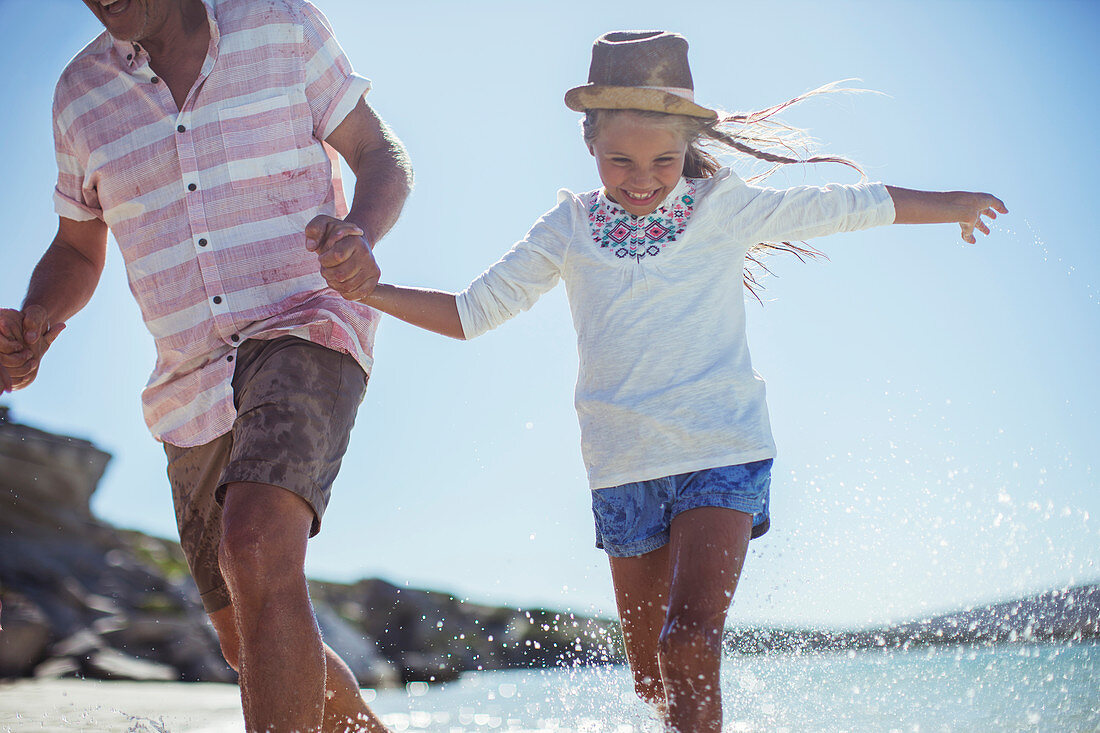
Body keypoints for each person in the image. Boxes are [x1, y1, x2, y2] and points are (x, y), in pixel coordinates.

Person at [319, 31, 1007, 733]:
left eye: (663, 160)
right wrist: (371, 289)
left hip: (721, 451)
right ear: (589, 143)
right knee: (654, 679)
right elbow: (472, 313)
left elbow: (842, 205)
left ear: (687, 150)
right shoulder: (569, 227)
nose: (641, 177)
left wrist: (951, 203)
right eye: (620, 159)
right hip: (623, 470)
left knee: (690, 644)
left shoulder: (722, 208)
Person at [0, 1, 411, 730]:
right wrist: (37, 322)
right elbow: (75, 247)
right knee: (239, 625)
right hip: (187, 380)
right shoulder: (78, 95)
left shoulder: (280, 21)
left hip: (304, 321)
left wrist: (360, 231)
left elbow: (379, 152)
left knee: (254, 544)